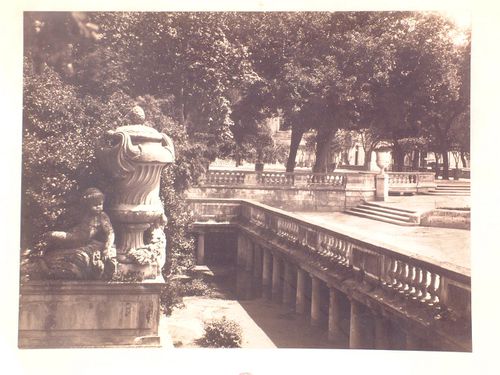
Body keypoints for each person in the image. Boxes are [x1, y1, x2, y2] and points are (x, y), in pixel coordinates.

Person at [39, 188, 117, 280]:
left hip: (78, 239)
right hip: (73, 235)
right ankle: (39, 255)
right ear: (87, 205)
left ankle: (39, 255)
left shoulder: (101, 216)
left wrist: (107, 248)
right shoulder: (84, 214)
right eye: (95, 205)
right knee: (50, 236)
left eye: (100, 204)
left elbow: (110, 233)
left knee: (51, 236)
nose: (98, 207)